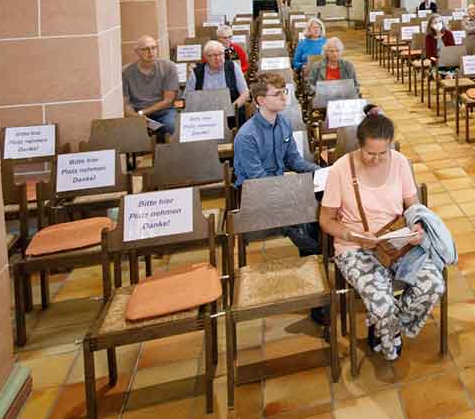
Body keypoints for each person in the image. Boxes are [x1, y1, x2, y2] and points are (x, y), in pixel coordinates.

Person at [319, 111, 445, 362]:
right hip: (355, 247)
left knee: (433, 285)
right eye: (370, 153)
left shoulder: (399, 162)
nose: (376, 159)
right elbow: (326, 221)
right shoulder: (340, 170)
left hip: (396, 242)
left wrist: (417, 226)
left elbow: (412, 205)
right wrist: (354, 234)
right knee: (383, 305)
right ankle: (386, 326)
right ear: (359, 145)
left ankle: (387, 327)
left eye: (382, 153)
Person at [232, 73, 322, 258]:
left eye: (285, 91)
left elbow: (293, 160)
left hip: (278, 183)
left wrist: (319, 172)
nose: (284, 97)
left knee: (321, 198)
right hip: (253, 191)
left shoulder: (284, 123)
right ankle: (318, 252)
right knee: (299, 208)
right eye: (277, 93)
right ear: (261, 100)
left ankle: (317, 252)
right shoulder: (246, 135)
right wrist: (289, 189)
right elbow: (257, 178)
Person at [122, 36, 179, 137]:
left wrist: (143, 112)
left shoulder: (169, 67)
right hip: (137, 112)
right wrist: (135, 115)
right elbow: (125, 103)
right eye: (145, 49)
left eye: (154, 48)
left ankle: (164, 151)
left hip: (163, 111)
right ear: (137, 52)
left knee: (171, 126)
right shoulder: (126, 72)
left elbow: (168, 100)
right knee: (127, 133)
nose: (151, 52)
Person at [187, 40, 250, 124]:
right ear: (205, 57)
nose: (218, 58)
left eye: (220, 54)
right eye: (212, 55)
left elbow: (245, 94)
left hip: (231, 114)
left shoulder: (233, 67)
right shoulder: (197, 73)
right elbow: (188, 98)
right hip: (205, 117)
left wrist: (231, 109)